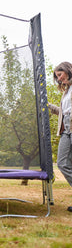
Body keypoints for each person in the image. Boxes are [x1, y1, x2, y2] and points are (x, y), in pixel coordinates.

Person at [48, 61, 72, 212]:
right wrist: (48, 106)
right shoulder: (66, 91)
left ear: (68, 70)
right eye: (57, 77)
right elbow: (63, 112)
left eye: (60, 75)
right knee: (62, 163)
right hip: (66, 130)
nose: (59, 79)